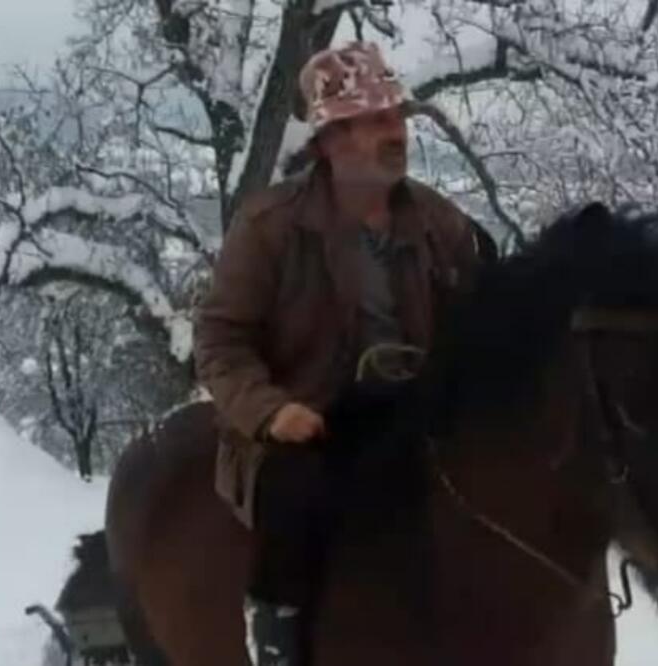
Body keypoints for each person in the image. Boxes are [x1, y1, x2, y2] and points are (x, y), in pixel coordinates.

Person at [194, 41, 493, 665]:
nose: (395, 133)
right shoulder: (269, 226)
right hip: (307, 418)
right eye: (373, 121)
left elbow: (482, 317)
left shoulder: (440, 223)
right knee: (295, 487)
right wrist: (271, 411)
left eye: (396, 117)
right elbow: (221, 341)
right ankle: (277, 636)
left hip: (413, 417)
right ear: (329, 141)